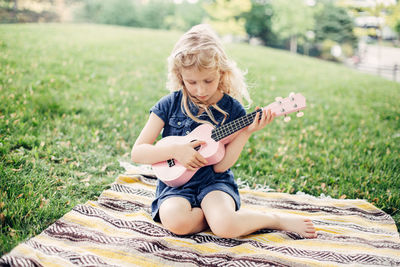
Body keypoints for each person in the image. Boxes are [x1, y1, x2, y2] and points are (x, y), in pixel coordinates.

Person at [131, 24, 317, 239]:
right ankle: (216, 218)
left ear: (221, 72)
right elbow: (138, 152)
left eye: (208, 81)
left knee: (225, 227)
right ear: (180, 76)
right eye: (191, 82)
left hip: (214, 182)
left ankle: (272, 219)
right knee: (177, 222)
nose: (200, 90)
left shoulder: (232, 109)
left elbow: (220, 166)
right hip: (176, 187)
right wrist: (176, 150)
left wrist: (245, 133)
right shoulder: (169, 104)